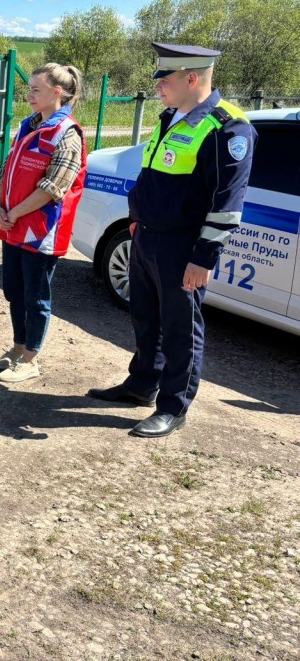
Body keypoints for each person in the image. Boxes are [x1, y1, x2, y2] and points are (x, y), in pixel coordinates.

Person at [88, 43, 256, 437]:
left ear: (191, 78)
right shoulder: (170, 116)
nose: (159, 87)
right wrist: (136, 219)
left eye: (164, 80)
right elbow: (151, 177)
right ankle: (142, 385)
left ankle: (173, 406)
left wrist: (204, 257)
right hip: (146, 237)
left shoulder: (227, 127)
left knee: (181, 329)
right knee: (146, 320)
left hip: (183, 247)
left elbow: (227, 202)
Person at [0, 63, 87, 383]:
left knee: (36, 295)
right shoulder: (28, 125)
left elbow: (53, 187)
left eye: (35, 90)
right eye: (29, 89)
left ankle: (31, 358)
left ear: (57, 93)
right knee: (14, 290)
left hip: (40, 230)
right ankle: (17, 349)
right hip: (12, 223)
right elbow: (8, 169)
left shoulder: (67, 134)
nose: (28, 95)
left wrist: (14, 213)